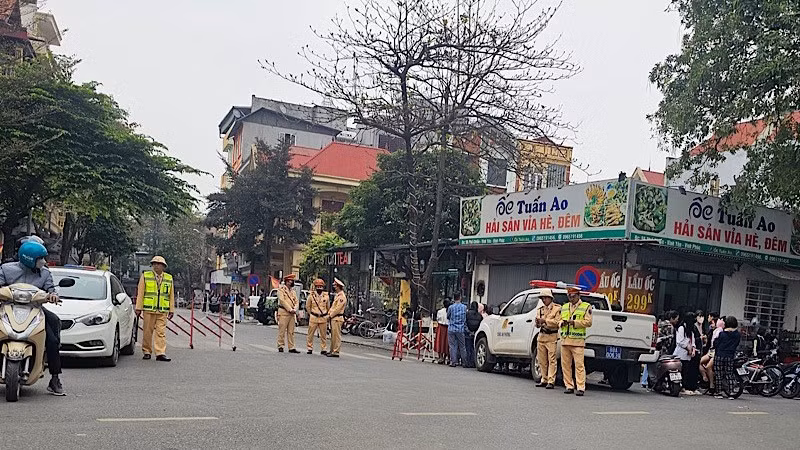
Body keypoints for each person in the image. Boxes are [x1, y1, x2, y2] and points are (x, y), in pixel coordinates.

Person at [0, 239, 66, 395]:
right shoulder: (6, 269)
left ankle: (55, 378)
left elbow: (51, 289)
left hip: (35, 309)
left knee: (52, 338)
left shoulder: (45, 273)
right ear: (29, 258)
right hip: (7, 307)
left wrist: (53, 296)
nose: (44, 261)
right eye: (40, 258)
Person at [135, 256, 175, 362]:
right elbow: (141, 293)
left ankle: (160, 353)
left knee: (161, 332)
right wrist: (138, 308)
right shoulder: (145, 276)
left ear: (163, 266)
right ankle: (147, 351)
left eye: (158, 264)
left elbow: (171, 295)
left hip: (162, 310)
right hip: (149, 310)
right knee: (147, 332)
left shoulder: (169, 278)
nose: (156, 265)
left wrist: (171, 309)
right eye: (154, 263)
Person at [560, 286, 593, 396]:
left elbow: (588, 322)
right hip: (565, 340)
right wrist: (561, 323)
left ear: (578, 296)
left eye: (573, 296)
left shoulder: (586, 306)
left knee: (579, 365)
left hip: (578, 341)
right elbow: (559, 320)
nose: (571, 299)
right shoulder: (564, 307)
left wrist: (574, 323)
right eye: (569, 296)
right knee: (565, 365)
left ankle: (580, 387)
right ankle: (569, 386)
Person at [535, 288, 561, 389]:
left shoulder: (557, 309)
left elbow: (557, 323)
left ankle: (551, 380)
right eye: (542, 298)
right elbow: (537, 325)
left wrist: (545, 321)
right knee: (542, 360)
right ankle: (544, 379)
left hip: (552, 336)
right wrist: (537, 322)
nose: (543, 300)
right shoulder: (540, 309)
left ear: (550, 298)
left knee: (552, 360)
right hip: (542, 336)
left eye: (545, 298)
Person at [713, 316, 741, 399]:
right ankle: (731, 392)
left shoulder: (722, 334)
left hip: (719, 355)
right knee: (729, 374)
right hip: (730, 356)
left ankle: (719, 392)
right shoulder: (737, 335)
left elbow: (715, 344)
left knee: (719, 374)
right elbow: (736, 344)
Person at [675, 312, 699, 394]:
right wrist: (688, 347)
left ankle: (684, 386)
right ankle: (680, 386)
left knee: (686, 370)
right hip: (681, 353)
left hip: (688, 354)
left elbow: (693, 341)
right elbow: (680, 341)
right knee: (681, 370)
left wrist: (693, 349)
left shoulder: (691, 330)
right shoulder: (682, 328)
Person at [700, 318, 725, 394]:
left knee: (708, 367)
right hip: (711, 352)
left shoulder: (720, 331)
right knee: (700, 361)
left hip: (716, 353)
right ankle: (705, 377)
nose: (711, 325)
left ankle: (711, 385)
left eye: (713, 323)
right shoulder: (713, 331)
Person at [276, 274, 300, 353]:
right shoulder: (281, 290)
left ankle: (291, 347)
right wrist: (289, 309)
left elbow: (296, 301)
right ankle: (281, 345)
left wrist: (295, 309)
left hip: (292, 313)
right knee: (282, 330)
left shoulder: (293, 291)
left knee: (291, 331)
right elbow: (282, 301)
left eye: (292, 281)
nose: (292, 282)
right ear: (286, 282)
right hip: (283, 312)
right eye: (290, 281)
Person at [306, 278, 330, 355]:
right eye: (318, 286)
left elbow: (328, 307)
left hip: (323, 317)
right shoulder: (311, 296)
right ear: (315, 287)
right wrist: (312, 314)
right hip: (314, 316)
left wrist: (327, 315)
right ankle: (309, 347)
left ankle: (323, 348)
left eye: (321, 286)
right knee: (310, 333)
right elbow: (308, 306)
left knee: (323, 335)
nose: (319, 288)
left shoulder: (326, 296)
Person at [327, 278, 347, 358]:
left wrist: (330, 315)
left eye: (335, 285)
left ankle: (336, 351)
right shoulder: (337, 296)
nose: (334, 287)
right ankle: (332, 350)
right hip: (334, 318)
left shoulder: (342, 297)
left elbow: (338, 309)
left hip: (337, 318)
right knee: (333, 336)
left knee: (336, 336)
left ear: (338, 286)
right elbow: (333, 307)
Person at [447, 293, 467, 367]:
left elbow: (448, 316)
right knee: (462, 346)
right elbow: (465, 318)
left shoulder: (451, 307)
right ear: (460, 297)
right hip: (460, 329)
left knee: (452, 345)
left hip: (451, 328)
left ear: (454, 298)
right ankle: (464, 362)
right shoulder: (464, 307)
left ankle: (453, 362)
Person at [465, 301, 482, 369]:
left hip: (468, 333)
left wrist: (468, 331)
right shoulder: (479, 315)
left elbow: (465, 323)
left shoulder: (467, 313)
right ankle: (473, 362)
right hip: (475, 333)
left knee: (467, 348)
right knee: (474, 348)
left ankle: (467, 362)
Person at [435, 300, 451, 364]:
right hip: (448, 327)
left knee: (440, 342)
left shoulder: (440, 311)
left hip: (441, 327)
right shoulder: (450, 311)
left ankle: (440, 357)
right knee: (447, 343)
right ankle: (447, 358)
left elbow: (438, 319)